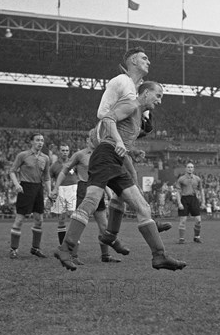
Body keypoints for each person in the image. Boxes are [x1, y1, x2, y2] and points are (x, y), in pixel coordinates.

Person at [55, 81, 186, 272]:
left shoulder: (138, 116)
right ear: (146, 93)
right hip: (105, 156)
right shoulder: (131, 104)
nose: (159, 101)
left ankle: (159, 255)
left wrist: (132, 151)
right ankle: (65, 248)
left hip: (115, 159)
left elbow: (123, 139)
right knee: (91, 200)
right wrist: (117, 141)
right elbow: (108, 119)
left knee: (143, 206)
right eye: (158, 96)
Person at [96, 47, 171, 242]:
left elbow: (133, 124)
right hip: (106, 140)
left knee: (125, 185)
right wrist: (115, 140)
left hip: (117, 142)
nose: (149, 61)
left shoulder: (136, 86)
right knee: (96, 194)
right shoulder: (122, 81)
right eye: (144, 58)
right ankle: (74, 243)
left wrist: (131, 145)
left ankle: (111, 234)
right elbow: (104, 114)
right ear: (133, 61)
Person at [51, 135, 121, 265]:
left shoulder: (102, 154)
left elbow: (103, 175)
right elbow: (64, 171)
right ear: (88, 140)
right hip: (84, 190)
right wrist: (56, 188)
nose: (96, 140)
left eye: (98, 138)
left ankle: (105, 255)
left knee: (104, 225)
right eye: (94, 138)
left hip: (98, 189)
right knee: (79, 224)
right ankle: (73, 255)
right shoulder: (80, 155)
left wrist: (109, 192)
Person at [8, 133, 51, 259]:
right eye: (37, 140)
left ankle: (35, 248)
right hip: (25, 188)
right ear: (31, 142)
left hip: (38, 188)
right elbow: (12, 171)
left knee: (39, 220)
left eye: (42, 140)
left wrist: (49, 192)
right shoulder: (23, 155)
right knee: (20, 219)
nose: (40, 142)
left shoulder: (46, 158)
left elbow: (47, 177)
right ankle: (13, 249)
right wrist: (16, 184)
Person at [49, 143, 78, 247]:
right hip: (60, 190)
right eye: (63, 150)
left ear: (69, 151)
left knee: (73, 216)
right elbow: (49, 178)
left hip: (73, 190)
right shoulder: (54, 166)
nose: (65, 152)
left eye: (66, 150)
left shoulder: (74, 163)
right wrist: (52, 191)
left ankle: (74, 241)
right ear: (59, 152)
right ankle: (62, 245)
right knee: (61, 219)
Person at [176, 162, 206, 244]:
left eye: (191, 167)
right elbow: (178, 192)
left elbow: (201, 190)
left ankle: (197, 237)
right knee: (183, 219)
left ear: (193, 169)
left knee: (198, 220)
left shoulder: (197, 179)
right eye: (188, 167)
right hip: (184, 199)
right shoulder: (181, 179)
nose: (190, 168)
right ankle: (181, 238)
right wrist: (179, 203)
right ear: (186, 168)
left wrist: (203, 202)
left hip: (193, 199)